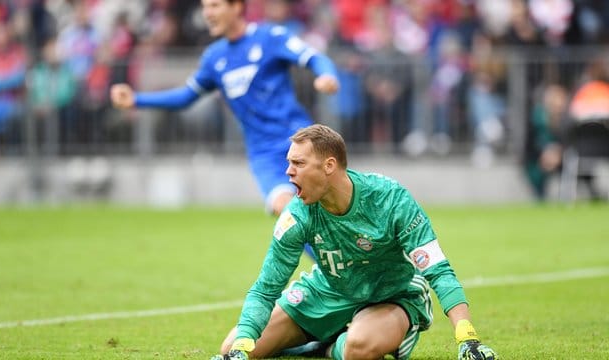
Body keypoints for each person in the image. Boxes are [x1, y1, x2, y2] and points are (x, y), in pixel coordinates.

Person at [211, 124, 499, 360]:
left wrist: (467, 338)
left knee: (358, 348)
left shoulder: (389, 199)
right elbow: (265, 289)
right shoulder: (296, 215)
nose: (288, 172)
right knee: (235, 346)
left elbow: (438, 268)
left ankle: (330, 347)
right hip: (329, 291)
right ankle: (326, 340)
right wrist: (241, 347)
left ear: (329, 166)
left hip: (391, 294)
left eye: (298, 163)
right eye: (289, 163)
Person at [110, 0, 339, 218]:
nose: (208, 13)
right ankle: (330, 259)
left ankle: (344, 257)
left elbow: (314, 58)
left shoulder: (270, 37)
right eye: (205, 7)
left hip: (300, 143)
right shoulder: (214, 57)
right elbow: (186, 97)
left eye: (215, 5)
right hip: (263, 154)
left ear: (237, 6)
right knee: (289, 213)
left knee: (326, 210)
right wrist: (136, 100)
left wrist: (326, 75)